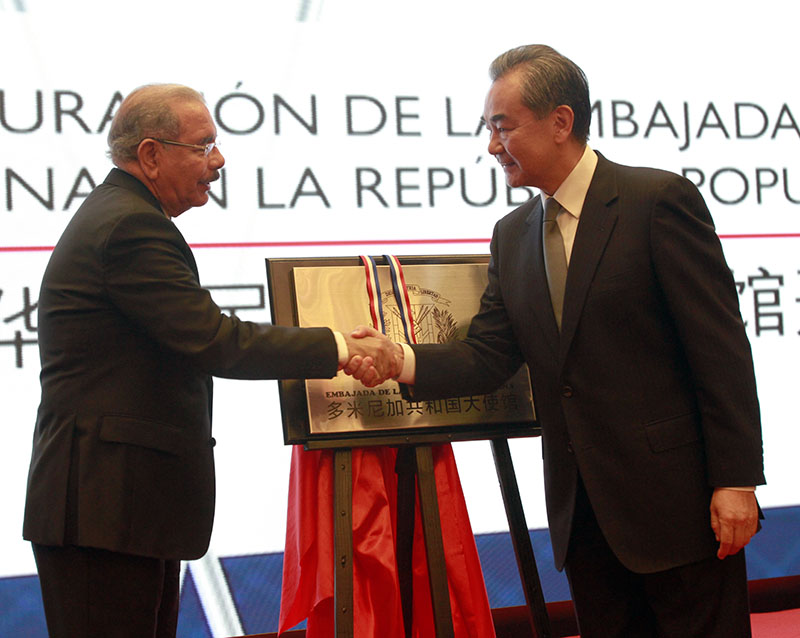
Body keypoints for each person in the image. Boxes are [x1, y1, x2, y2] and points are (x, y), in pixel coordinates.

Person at [347, 45, 765, 637]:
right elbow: (489, 354)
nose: (492, 145)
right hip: (584, 522)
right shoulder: (512, 234)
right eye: (488, 128)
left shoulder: (656, 202)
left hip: (682, 512)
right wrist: (400, 359)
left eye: (503, 126)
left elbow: (720, 352)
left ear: (561, 122)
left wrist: (737, 481)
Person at [22, 83, 396, 638]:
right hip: (103, 514)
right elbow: (217, 341)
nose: (218, 161)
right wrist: (343, 347)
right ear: (150, 154)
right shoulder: (130, 225)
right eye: (202, 146)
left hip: (122, 510)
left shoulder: (125, 214)